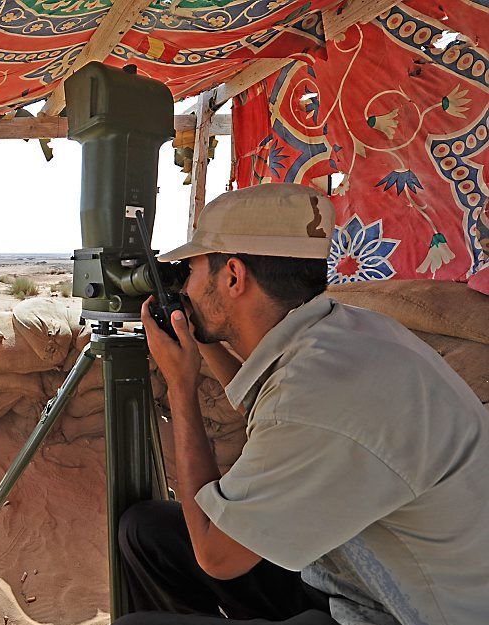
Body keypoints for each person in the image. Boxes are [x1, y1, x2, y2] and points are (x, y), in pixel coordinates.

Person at [120, 183, 489, 625]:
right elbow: (271, 408)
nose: (188, 287)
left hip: (407, 612)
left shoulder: (314, 396)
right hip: (365, 575)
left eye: (193, 271)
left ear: (233, 276)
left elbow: (217, 556)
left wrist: (181, 389)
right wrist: (200, 338)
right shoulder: (346, 331)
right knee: (145, 531)